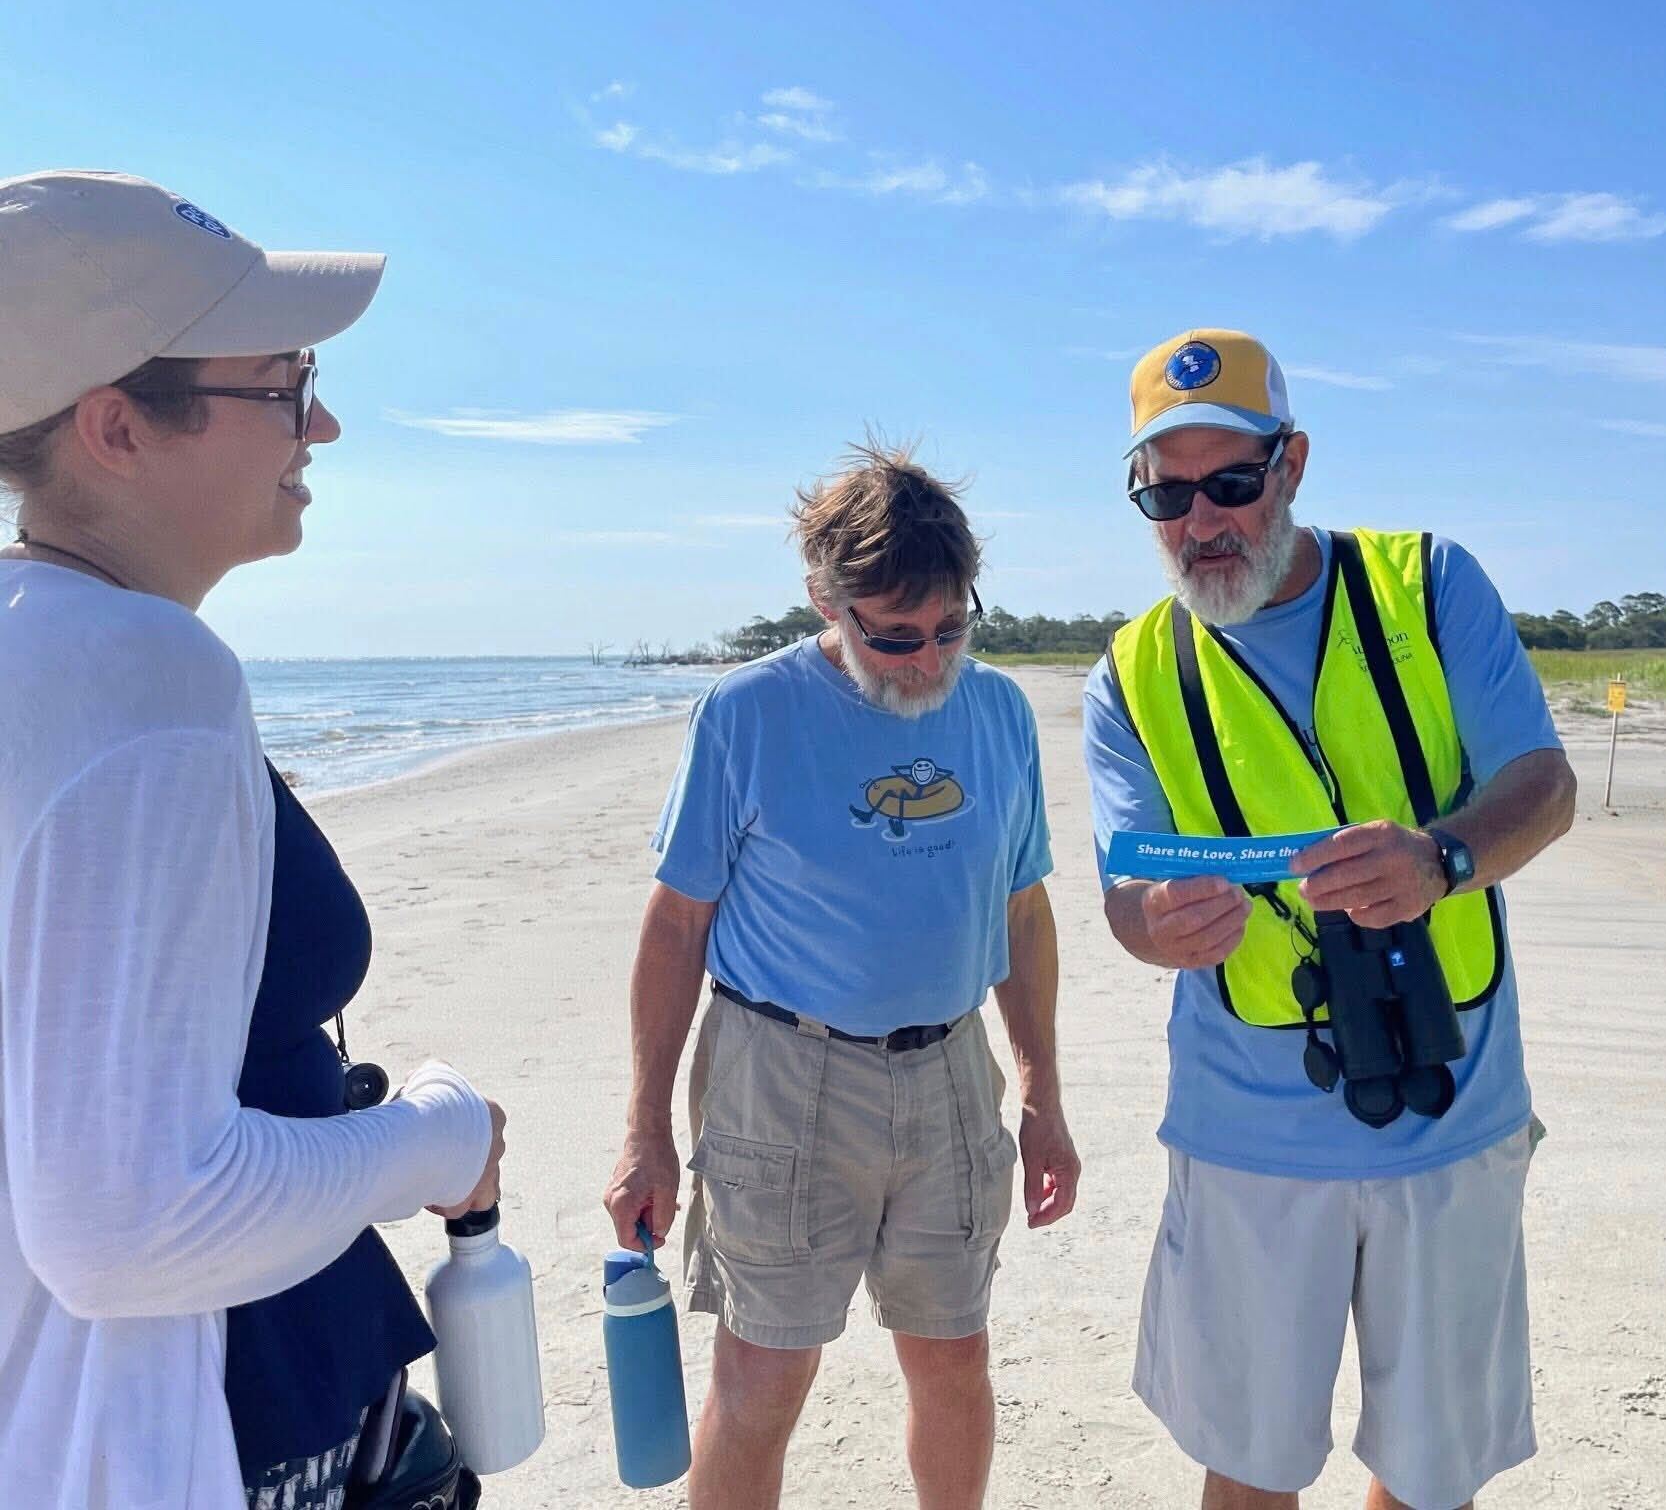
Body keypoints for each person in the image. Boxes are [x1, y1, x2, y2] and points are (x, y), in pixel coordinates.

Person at [0, 170, 506, 1510]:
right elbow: (125, 1225)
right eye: (282, 383)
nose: (321, 421)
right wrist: (435, 1143)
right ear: (115, 426)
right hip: (145, 1437)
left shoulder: (33, 651)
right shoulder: (139, 679)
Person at [1083, 328, 1577, 1510]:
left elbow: (1543, 788)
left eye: (1230, 483)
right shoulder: (1130, 671)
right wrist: (1157, 925)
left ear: (1291, 462)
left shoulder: (1429, 582)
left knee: (1429, 1470)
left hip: (1450, 1117)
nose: (1199, 520)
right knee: (1247, 1467)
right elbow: (1121, 901)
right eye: (1164, 492)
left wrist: (1442, 855)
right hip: (1244, 1137)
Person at [603, 440, 1080, 1510]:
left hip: (953, 1075)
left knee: (953, 1361)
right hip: (781, 1076)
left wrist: (1041, 1091)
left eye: (949, 629)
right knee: (763, 1374)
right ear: (825, 599)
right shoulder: (745, 712)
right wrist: (645, 1131)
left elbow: (1023, 907)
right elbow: (677, 927)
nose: (924, 660)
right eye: (894, 636)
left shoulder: (998, 712)